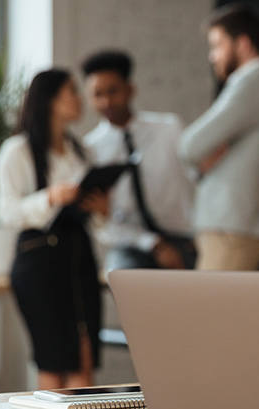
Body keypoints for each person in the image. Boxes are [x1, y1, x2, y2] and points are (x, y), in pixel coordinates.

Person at [0, 69, 108, 389]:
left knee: (84, 358)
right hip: (39, 264)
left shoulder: (82, 151)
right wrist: (50, 197)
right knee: (55, 360)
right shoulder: (17, 151)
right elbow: (6, 212)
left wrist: (99, 209)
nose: (78, 98)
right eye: (70, 91)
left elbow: (98, 221)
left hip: (79, 259)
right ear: (49, 100)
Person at [179, 4, 259, 271]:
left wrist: (205, 156)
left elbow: (189, 146)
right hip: (236, 223)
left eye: (217, 45)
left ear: (242, 43)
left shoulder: (252, 82)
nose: (212, 56)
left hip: (232, 225)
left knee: (208, 312)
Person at [82, 50, 196, 271]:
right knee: (121, 277)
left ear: (130, 89)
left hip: (183, 239)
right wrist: (154, 244)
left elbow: (198, 179)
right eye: (97, 94)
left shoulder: (169, 128)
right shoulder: (90, 151)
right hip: (131, 245)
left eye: (113, 91)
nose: (106, 102)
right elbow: (103, 224)